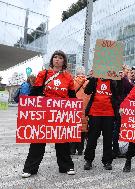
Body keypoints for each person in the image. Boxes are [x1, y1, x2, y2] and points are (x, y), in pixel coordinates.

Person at [22, 50, 76, 178]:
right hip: (44, 113)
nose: (57, 59)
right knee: (38, 141)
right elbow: (34, 93)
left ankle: (66, 166)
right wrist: (39, 97)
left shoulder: (68, 77)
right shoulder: (43, 74)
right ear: (52, 60)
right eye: (55, 57)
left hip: (60, 113)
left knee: (63, 141)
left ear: (64, 61)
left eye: (60, 57)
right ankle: (30, 168)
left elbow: (72, 97)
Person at [83, 71, 121, 171]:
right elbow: (87, 91)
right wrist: (91, 78)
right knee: (92, 138)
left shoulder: (113, 81)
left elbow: (119, 94)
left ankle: (107, 161)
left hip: (109, 114)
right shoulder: (95, 80)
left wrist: (120, 78)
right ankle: (88, 160)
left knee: (108, 139)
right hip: (95, 113)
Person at [113, 64, 134, 158]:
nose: (129, 72)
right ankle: (116, 150)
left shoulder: (122, 79)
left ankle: (116, 149)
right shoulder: (123, 79)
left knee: (117, 129)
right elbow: (130, 88)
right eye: (127, 70)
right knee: (117, 129)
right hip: (120, 107)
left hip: (120, 106)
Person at [70, 66, 90, 155]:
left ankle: (72, 149)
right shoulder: (88, 83)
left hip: (74, 108)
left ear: (76, 73)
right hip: (85, 109)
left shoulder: (72, 82)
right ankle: (80, 150)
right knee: (83, 129)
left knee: (74, 129)